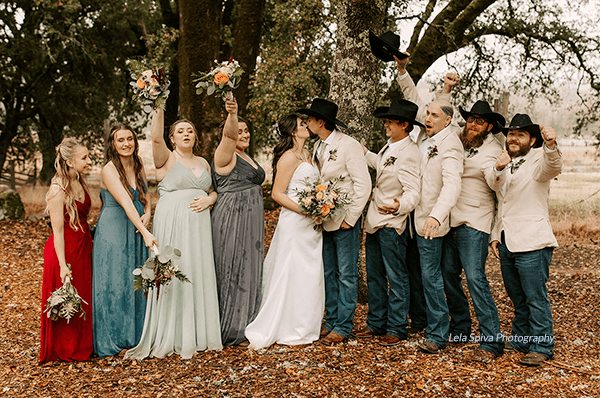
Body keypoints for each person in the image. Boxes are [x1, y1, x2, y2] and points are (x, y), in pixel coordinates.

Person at [125, 107, 222, 359]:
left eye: (190, 130)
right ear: (172, 138)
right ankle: (174, 333)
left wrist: (209, 200)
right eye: (180, 131)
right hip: (174, 221)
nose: (186, 134)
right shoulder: (166, 158)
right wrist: (158, 105)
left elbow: (213, 191)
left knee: (197, 270)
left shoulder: (202, 162)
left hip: (199, 226)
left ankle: (199, 333)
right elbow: (155, 138)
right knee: (177, 268)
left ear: (195, 137)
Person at [396, 56, 464, 354]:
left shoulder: (451, 143)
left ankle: (438, 334)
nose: (427, 118)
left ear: (448, 120)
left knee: (432, 276)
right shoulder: (426, 137)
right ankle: (423, 320)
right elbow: (414, 99)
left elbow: (452, 185)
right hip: (411, 218)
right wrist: (402, 71)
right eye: (427, 114)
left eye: (434, 115)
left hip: (430, 223)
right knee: (419, 273)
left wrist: (436, 217)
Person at [245, 114, 324, 348]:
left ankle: (306, 323)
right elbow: (277, 194)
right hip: (295, 221)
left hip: (311, 223)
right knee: (291, 270)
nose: (307, 126)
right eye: (302, 124)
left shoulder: (308, 154)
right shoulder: (288, 157)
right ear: (292, 132)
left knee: (309, 272)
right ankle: (286, 324)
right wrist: (305, 210)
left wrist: (320, 206)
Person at [297, 98, 371, 345]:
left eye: (309, 119)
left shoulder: (348, 145)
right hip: (323, 219)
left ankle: (343, 325)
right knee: (328, 271)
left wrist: (351, 219)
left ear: (321, 122)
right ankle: (331, 319)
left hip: (344, 222)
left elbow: (364, 185)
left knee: (347, 274)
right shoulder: (317, 146)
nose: (307, 123)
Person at [490, 114, 562, 366]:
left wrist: (551, 146)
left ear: (532, 140)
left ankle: (542, 345)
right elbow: (502, 199)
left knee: (534, 296)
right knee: (517, 296)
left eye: (520, 134)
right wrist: (495, 236)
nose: (513, 138)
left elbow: (552, 168)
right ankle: (521, 338)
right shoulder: (506, 161)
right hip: (507, 240)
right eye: (511, 134)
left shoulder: (539, 160)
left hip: (533, 241)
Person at [440, 100, 506, 362]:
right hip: (451, 220)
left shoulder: (493, 150)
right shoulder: (461, 141)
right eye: (470, 119)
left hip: (476, 222)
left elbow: (494, 181)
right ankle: (461, 328)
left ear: (489, 126)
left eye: (480, 121)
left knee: (476, 279)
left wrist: (499, 168)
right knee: (447, 274)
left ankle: (492, 341)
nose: (473, 124)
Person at [353, 99, 421, 347]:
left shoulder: (410, 153)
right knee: (374, 276)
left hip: (392, 223)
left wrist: (399, 206)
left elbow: (414, 191)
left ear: (405, 125)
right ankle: (375, 324)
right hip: (374, 221)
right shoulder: (390, 146)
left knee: (397, 276)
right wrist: (365, 153)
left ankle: (396, 327)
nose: (385, 125)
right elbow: (382, 167)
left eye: (390, 122)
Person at [92, 125, 158, 358]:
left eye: (130, 139)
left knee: (136, 280)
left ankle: (136, 336)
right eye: (121, 140)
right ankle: (115, 339)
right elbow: (126, 203)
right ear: (113, 144)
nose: (126, 143)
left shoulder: (138, 163)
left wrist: (148, 213)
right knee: (116, 281)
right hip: (115, 229)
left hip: (137, 226)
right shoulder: (109, 170)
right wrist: (146, 232)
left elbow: (145, 195)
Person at [211, 98, 266, 347]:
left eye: (246, 131)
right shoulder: (226, 154)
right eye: (239, 131)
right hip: (232, 218)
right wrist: (232, 114)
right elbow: (228, 135)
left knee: (249, 267)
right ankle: (231, 328)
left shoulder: (248, 156)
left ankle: (248, 322)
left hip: (251, 219)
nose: (243, 135)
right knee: (232, 268)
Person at [40, 137, 93, 363]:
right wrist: (62, 265)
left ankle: (83, 346)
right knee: (68, 295)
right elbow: (58, 232)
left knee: (84, 295)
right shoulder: (57, 188)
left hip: (83, 245)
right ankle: (64, 348)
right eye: (84, 158)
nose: (89, 161)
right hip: (64, 250)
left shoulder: (80, 180)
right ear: (70, 162)